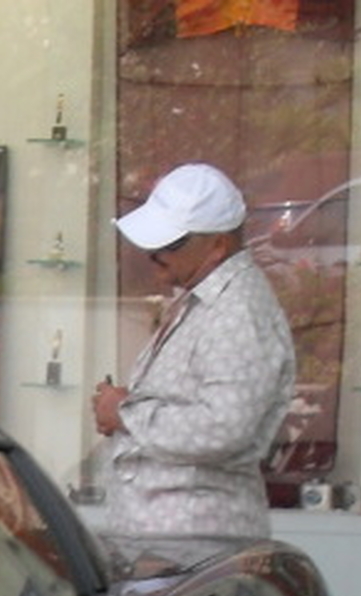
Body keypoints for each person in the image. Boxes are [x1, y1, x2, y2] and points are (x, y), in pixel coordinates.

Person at [92, 162, 295, 543]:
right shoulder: (207, 300)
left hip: (197, 543)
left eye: (168, 245)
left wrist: (124, 413)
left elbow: (223, 428)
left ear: (218, 245)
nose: (154, 255)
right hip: (174, 537)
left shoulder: (238, 310)